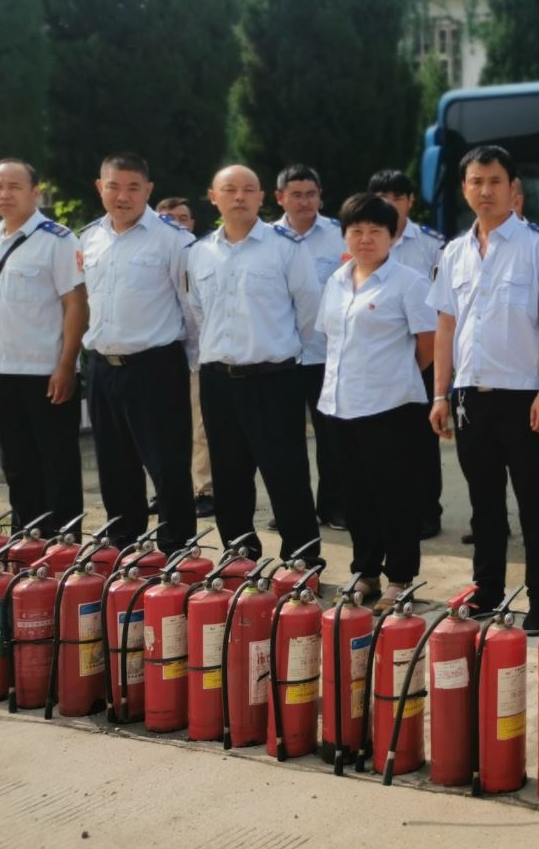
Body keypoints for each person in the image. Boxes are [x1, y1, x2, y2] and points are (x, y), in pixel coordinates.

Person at [429, 146, 539, 633]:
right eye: (476, 182)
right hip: (469, 396)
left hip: (523, 395)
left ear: (513, 189)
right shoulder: (454, 252)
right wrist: (440, 394)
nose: (485, 190)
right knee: (483, 503)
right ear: (465, 189)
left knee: (534, 502)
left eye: (494, 181)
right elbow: (446, 326)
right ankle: (486, 590)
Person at [186, 165, 323, 563]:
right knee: (228, 475)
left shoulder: (285, 247)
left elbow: (309, 311)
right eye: (229, 189)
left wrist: (277, 348)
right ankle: (239, 557)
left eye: (248, 189)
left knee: (285, 473)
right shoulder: (199, 253)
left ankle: (302, 560)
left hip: (272, 378)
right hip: (217, 380)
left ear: (262, 197)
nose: (239, 197)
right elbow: (197, 311)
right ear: (213, 197)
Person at [316, 194, 437, 613]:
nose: (365, 239)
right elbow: (331, 338)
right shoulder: (336, 280)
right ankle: (365, 571)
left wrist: (394, 375)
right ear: (345, 235)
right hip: (339, 405)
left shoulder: (409, 282)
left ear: (392, 236)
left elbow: (428, 343)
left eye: (375, 231)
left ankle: (399, 578)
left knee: (395, 497)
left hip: (391, 408)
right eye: (356, 231)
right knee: (355, 496)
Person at [78, 154, 197, 551]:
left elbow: (192, 309)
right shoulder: (89, 238)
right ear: (100, 188)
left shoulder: (173, 240)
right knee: (114, 466)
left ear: (149, 190)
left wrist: (192, 365)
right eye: (113, 186)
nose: (122, 196)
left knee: (167, 465)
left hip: (155, 367)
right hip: (102, 367)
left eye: (133, 187)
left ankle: (176, 551)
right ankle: (123, 545)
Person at [0, 159, 85, 532]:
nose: (4, 194)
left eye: (14, 186)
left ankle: (63, 546)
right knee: (16, 465)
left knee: (56, 464)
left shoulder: (58, 240)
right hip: (0, 370)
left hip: (45, 373)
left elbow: (76, 304)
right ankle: (26, 542)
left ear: (35, 193)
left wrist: (66, 366)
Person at [369, 168, 446, 541]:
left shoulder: (431, 245)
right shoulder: (363, 242)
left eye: (397, 197)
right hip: (378, 359)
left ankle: (428, 512)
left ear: (410, 201)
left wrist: (420, 364)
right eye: (382, 198)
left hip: (422, 356)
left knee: (421, 441)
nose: (389, 204)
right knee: (382, 442)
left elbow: (444, 308)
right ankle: (388, 511)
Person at [271, 164, 347, 533]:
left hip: (326, 353)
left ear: (320, 196)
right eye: (296, 195)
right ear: (280, 197)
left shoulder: (339, 235)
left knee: (332, 437)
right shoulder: (266, 239)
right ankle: (293, 511)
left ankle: (334, 506)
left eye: (311, 194)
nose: (305, 201)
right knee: (284, 441)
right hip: (279, 355)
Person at [157, 196, 215, 518]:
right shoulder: (152, 252)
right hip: (161, 356)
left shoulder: (201, 254)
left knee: (199, 428)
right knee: (162, 430)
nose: (176, 224)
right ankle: (167, 489)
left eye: (182, 218)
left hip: (196, 353)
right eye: (167, 218)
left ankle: (203, 489)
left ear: (192, 223)